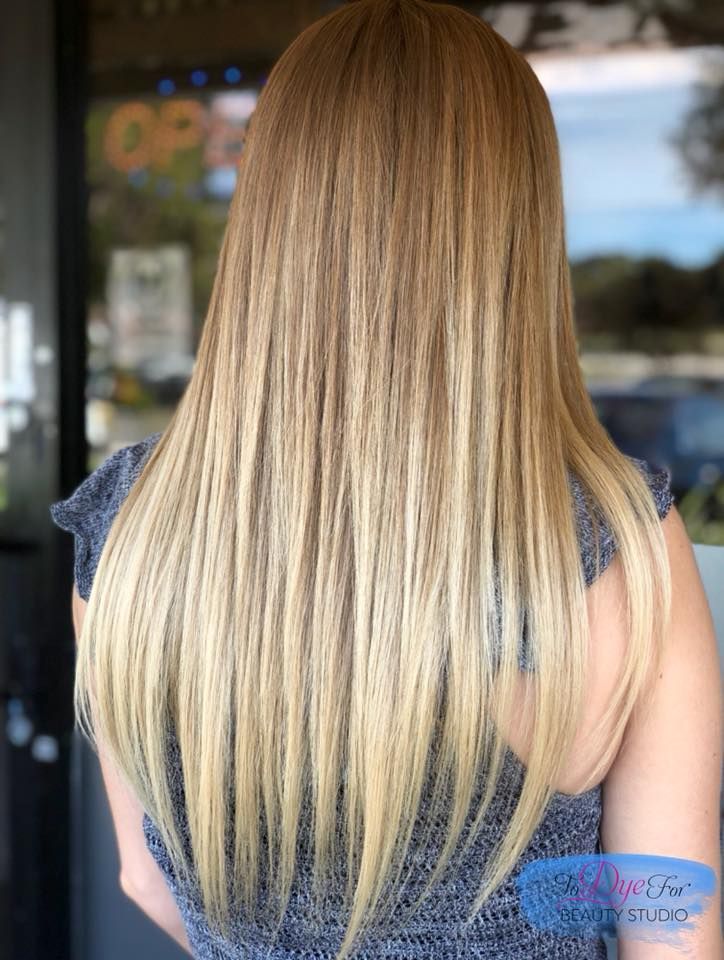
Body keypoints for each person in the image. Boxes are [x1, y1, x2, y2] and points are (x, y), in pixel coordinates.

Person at [49, 1, 722, 957]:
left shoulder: (126, 524)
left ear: (273, 211)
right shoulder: (612, 536)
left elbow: (144, 878)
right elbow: (671, 926)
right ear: (515, 229)